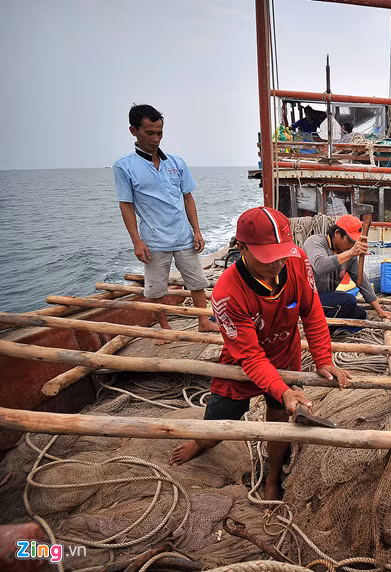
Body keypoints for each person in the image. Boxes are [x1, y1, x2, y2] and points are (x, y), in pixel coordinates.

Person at [170, 207, 351, 500]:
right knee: (216, 428)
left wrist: (322, 358)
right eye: (269, 257)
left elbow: (312, 311)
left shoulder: (296, 260)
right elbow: (251, 357)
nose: (278, 263)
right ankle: (201, 443)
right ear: (242, 248)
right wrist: (284, 390)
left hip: (285, 357)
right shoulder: (228, 294)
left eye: (283, 253)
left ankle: (273, 477)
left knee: (279, 424)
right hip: (242, 365)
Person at [114, 104, 218, 335]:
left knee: (197, 281)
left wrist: (197, 231)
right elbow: (126, 205)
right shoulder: (124, 167)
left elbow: (188, 198)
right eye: (149, 133)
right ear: (134, 131)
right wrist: (136, 242)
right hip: (153, 240)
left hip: (183, 236)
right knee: (156, 288)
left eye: (159, 133)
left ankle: (203, 321)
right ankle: (164, 327)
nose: (155, 138)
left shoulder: (176, 163)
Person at [303, 215, 391, 327]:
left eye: (354, 243)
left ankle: (336, 329)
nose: (352, 245)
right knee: (349, 300)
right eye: (350, 241)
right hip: (306, 299)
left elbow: (362, 283)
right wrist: (351, 253)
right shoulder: (316, 242)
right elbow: (320, 266)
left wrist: (380, 311)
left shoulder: (349, 255)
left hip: (324, 298)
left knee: (360, 314)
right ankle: (320, 332)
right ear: (337, 233)